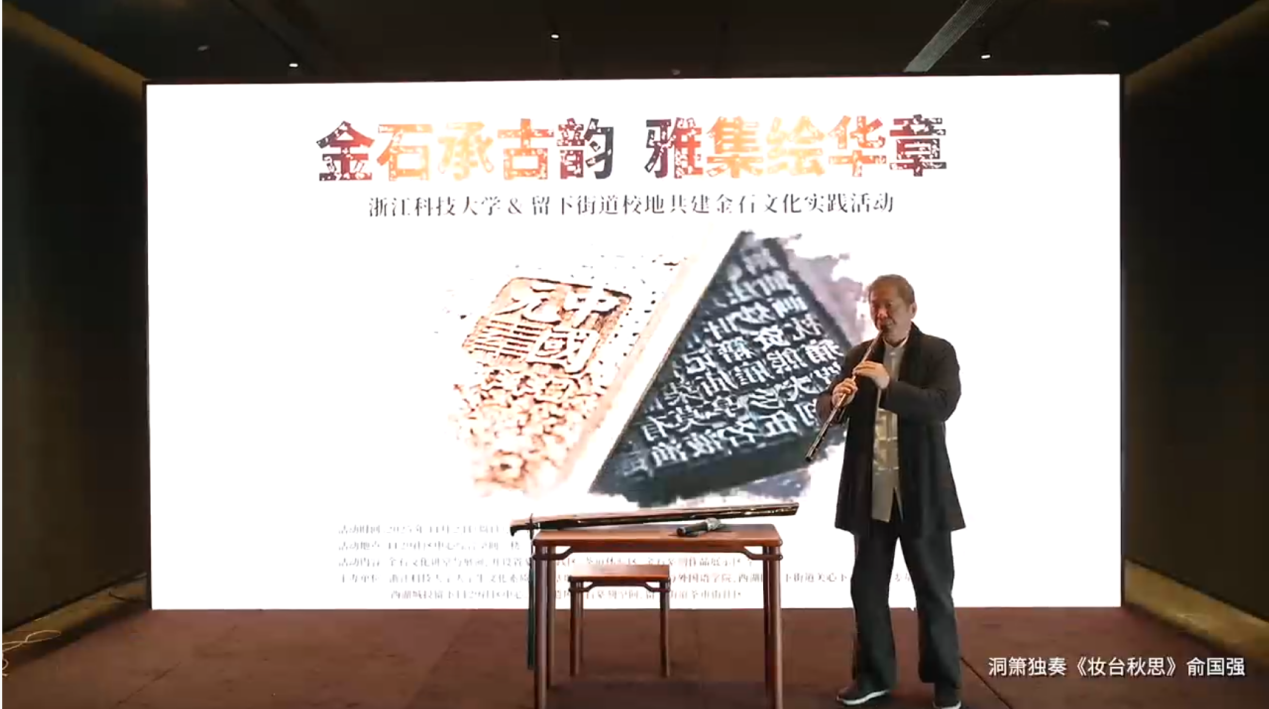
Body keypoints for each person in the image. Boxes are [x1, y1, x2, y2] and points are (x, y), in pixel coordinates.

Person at [814, 274, 965, 709]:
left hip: (921, 495)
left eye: (891, 306)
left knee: (933, 591)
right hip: (872, 494)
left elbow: (942, 405)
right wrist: (835, 400)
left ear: (912, 309)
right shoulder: (860, 356)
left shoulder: (937, 352)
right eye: (875, 306)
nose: (882, 315)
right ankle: (874, 675)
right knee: (866, 590)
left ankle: (946, 681)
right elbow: (827, 408)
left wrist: (888, 385)